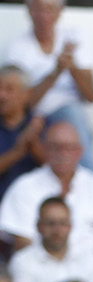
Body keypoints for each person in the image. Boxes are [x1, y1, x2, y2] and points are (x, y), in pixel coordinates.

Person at [0, 122, 93, 264]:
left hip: (90, 276)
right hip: (38, 273)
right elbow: (22, 241)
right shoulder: (23, 186)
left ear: (80, 151)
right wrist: (53, 272)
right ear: (45, 149)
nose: (63, 153)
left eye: (69, 148)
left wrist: (92, 273)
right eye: (56, 147)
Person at [5, 0, 93, 159]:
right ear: (29, 10)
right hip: (32, 116)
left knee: (71, 120)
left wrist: (72, 66)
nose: (44, 16)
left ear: (60, 11)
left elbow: (91, 96)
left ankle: (88, 176)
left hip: (70, 115)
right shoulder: (16, 48)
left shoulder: (74, 37)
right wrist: (56, 72)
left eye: (49, 9)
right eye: (38, 9)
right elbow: (22, 104)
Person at [0, 66, 43, 208]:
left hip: (35, 208)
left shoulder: (44, 125)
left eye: (9, 89)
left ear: (26, 94)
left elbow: (61, 167)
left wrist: (34, 144)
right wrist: (18, 151)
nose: (2, 96)